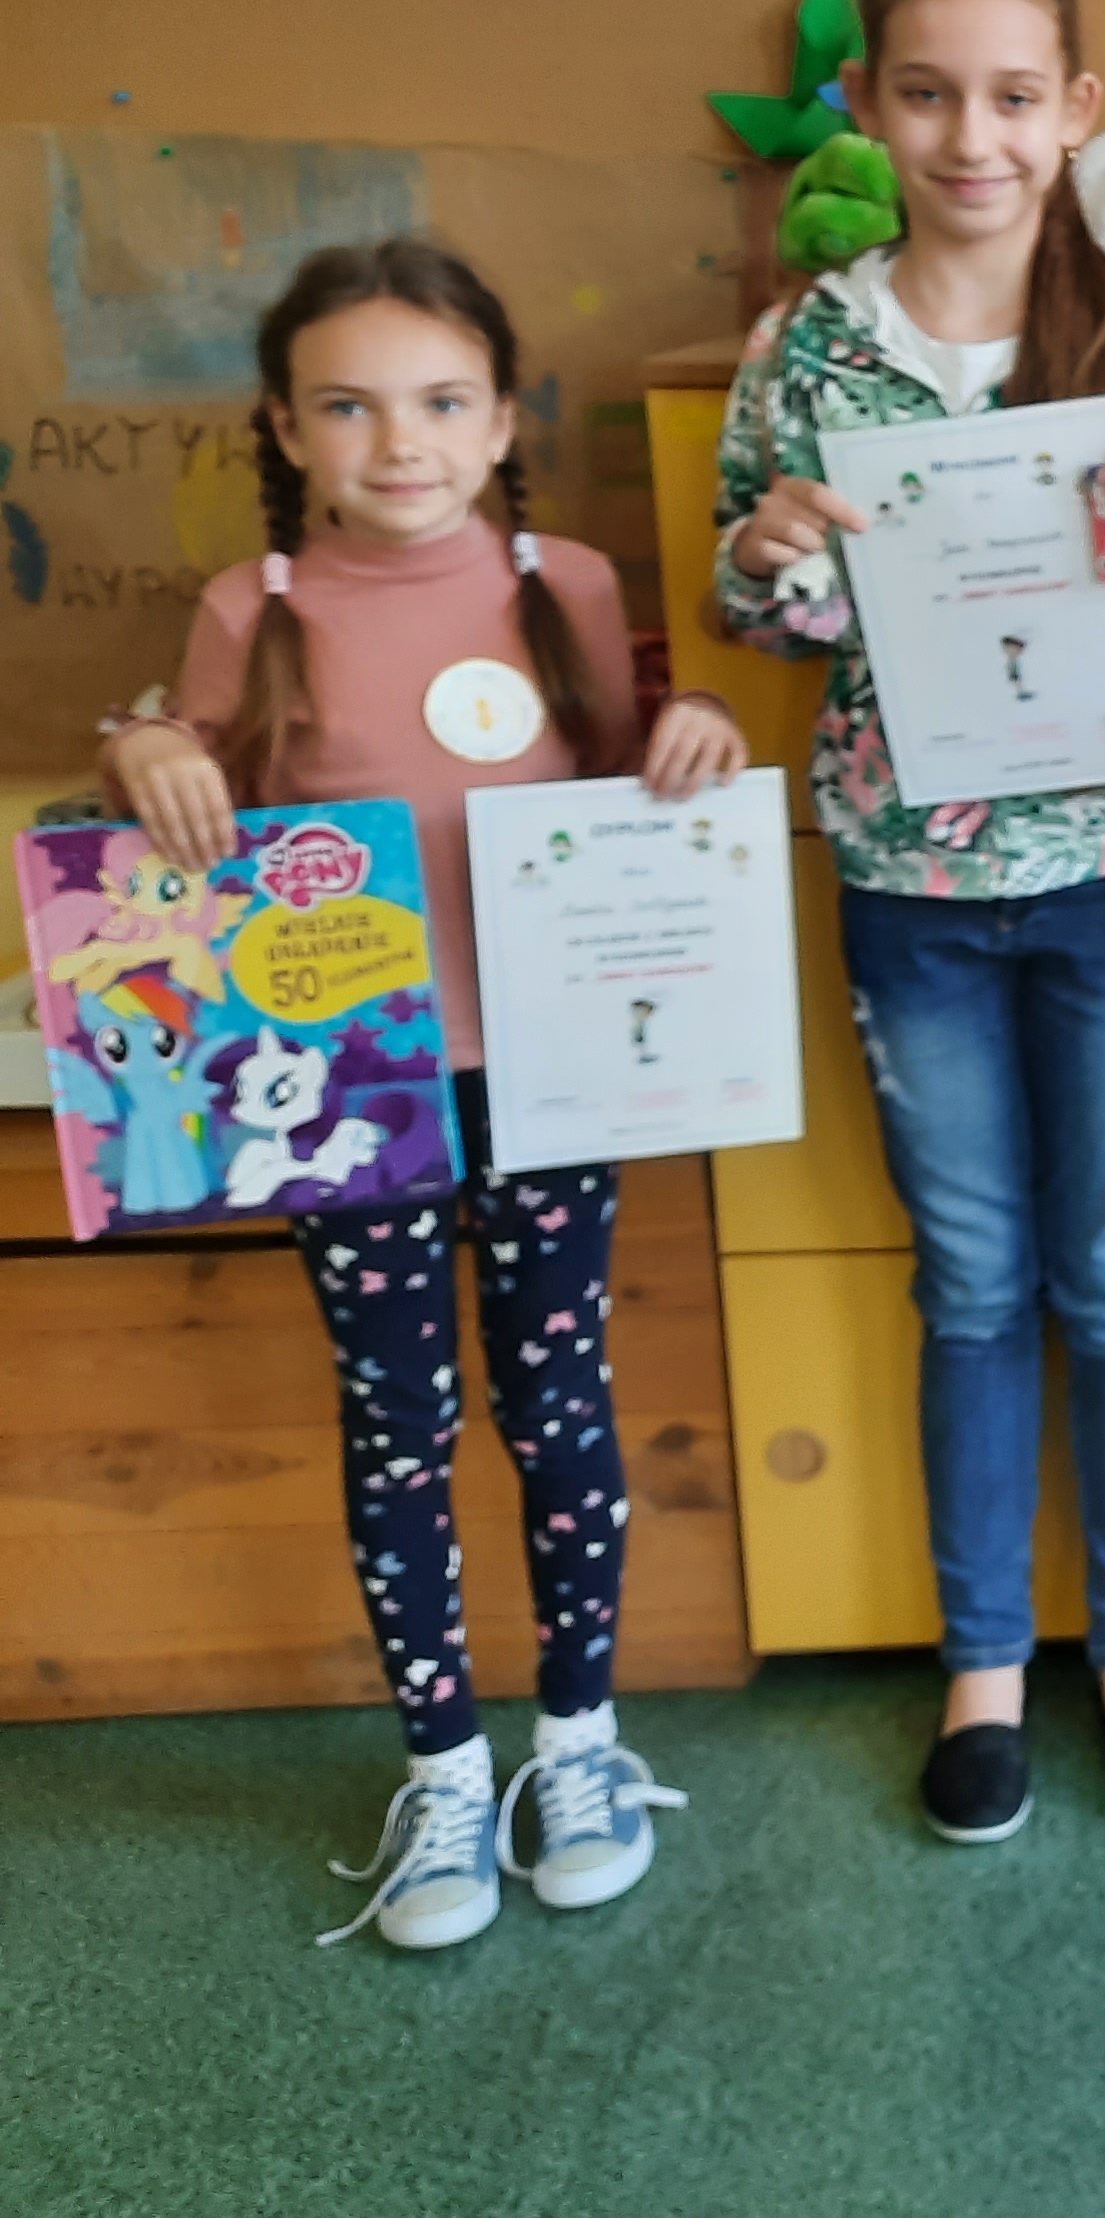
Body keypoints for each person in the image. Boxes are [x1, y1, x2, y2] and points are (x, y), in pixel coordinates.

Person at [716, 0, 1105, 1848]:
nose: (974, 137)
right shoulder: (811, 347)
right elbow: (762, 609)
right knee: (968, 1278)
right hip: (911, 883)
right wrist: (771, 558)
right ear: (868, 105)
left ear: (1078, 108)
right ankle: (982, 1664)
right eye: (929, 93)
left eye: (1015, 96)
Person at [104, 240, 746, 1949]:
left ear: (502, 417)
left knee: (559, 1407)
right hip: (354, 1090)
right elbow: (177, 791)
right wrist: (143, 742)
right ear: (284, 428)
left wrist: (692, 732)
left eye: (444, 401)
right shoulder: (253, 608)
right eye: (351, 406)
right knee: (398, 1422)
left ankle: (581, 1747)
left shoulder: (571, 585)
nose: (403, 443)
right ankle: (447, 1768)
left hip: (550, 1075)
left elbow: (636, 775)